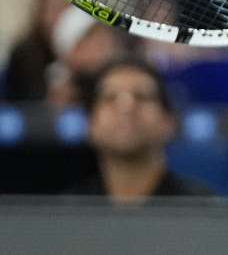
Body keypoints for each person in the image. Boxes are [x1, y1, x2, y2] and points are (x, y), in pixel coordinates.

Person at [70, 58, 213, 202]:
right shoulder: (67, 212)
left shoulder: (203, 208)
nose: (126, 107)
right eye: (110, 98)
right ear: (90, 124)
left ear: (168, 122)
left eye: (142, 96)